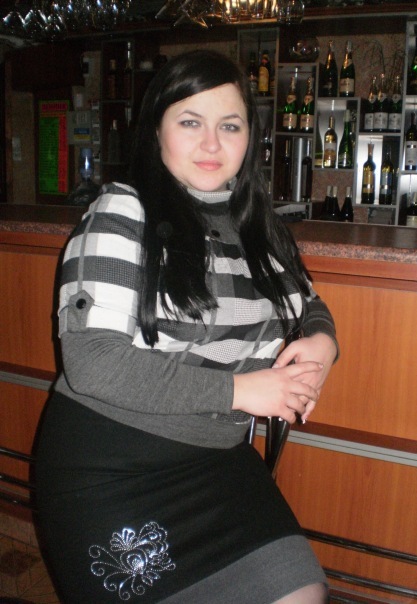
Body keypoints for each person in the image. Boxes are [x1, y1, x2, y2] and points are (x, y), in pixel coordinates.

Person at [35, 49, 338, 603]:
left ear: (250, 138)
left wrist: (323, 343)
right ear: (157, 131)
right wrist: (243, 391)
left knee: (302, 595)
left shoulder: (260, 225)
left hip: (218, 462)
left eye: (230, 126)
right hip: (112, 467)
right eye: (191, 122)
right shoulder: (122, 212)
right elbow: (92, 363)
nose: (212, 145)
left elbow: (309, 304)